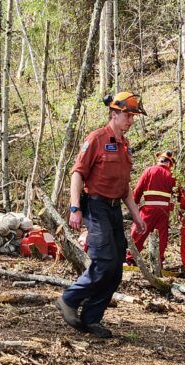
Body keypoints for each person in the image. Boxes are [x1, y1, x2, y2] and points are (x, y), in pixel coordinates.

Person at [56, 91, 147, 338]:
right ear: (114, 114)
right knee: (104, 260)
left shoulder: (125, 146)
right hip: (95, 206)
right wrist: (75, 208)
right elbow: (77, 174)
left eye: (133, 116)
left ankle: (91, 319)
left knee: (116, 268)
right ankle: (69, 298)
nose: (130, 121)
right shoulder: (96, 139)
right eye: (127, 116)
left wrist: (137, 217)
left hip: (114, 208)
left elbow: (125, 187)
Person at [125, 151, 176, 265]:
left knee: (139, 230)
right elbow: (179, 194)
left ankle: (131, 258)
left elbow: (138, 190)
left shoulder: (149, 170)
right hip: (164, 211)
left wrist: (134, 204)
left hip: (149, 208)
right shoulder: (172, 175)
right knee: (161, 235)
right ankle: (159, 260)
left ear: (159, 160)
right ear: (169, 163)